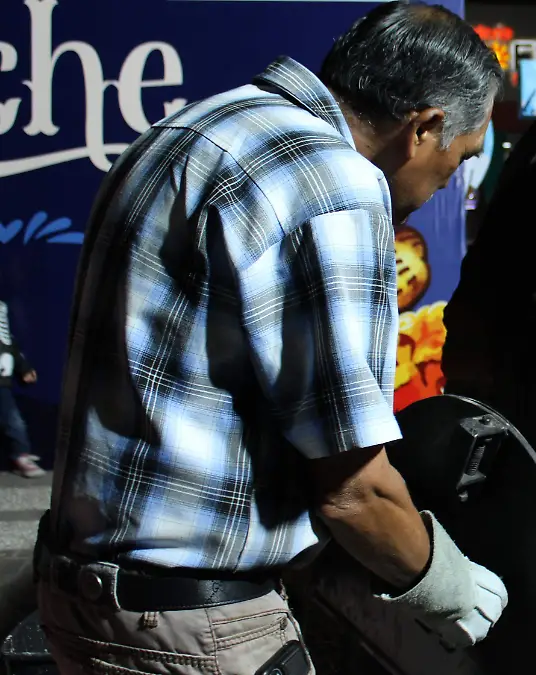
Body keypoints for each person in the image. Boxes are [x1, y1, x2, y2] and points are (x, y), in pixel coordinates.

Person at [36, 3, 506, 673]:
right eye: (457, 159)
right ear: (423, 127)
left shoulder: (192, 129)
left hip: (82, 600)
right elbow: (354, 493)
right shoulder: (333, 184)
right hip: (192, 628)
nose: (441, 189)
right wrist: (453, 589)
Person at [0, 299, 45, 478]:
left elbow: (11, 347)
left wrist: (24, 368)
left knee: (14, 421)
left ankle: (20, 455)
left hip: (2, 384)